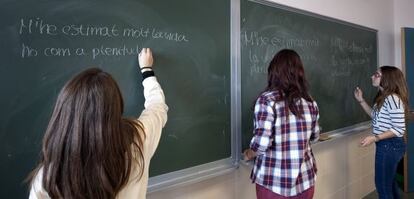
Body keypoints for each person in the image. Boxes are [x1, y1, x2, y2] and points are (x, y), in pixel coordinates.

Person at [27, 48, 168, 199]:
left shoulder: (48, 179)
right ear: (116, 107)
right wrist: (146, 70)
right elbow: (157, 106)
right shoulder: (138, 139)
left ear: (63, 115)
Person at [244, 49, 320, 199]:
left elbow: (262, 144)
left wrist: (249, 153)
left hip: (275, 182)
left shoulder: (267, 100)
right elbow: (315, 137)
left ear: (274, 72)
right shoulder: (310, 102)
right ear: (299, 73)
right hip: (305, 180)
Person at [354, 66, 408, 199]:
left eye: (376, 75)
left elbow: (399, 129)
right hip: (387, 144)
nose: (372, 77)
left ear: (387, 79)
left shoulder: (392, 99)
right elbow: (375, 116)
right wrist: (361, 100)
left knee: (383, 187)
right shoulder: (383, 97)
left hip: (390, 145)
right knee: (390, 184)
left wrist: (375, 138)